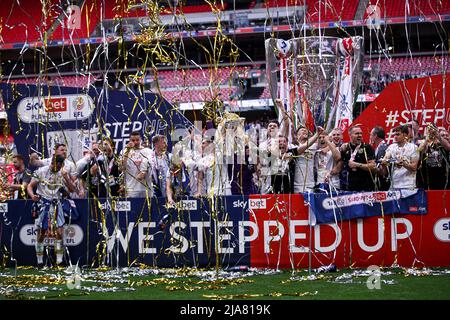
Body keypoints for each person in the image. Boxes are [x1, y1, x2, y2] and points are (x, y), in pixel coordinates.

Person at [27, 154, 76, 267]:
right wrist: (32, 195)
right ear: (53, 162)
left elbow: (72, 189)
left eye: (60, 166)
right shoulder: (41, 171)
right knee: (42, 232)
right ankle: (39, 261)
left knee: (59, 232)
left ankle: (59, 261)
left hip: (57, 203)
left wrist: (67, 178)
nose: (57, 168)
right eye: (56, 166)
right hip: (43, 203)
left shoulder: (63, 173)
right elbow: (30, 186)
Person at [381, 125, 419, 190]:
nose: (395, 137)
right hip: (394, 185)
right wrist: (384, 161)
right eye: (394, 135)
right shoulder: (391, 147)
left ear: (404, 135)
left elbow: (414, 167)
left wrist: (403, 163)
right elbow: (386, 158)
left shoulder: (413, 147)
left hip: (408, 185)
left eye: (398, 134)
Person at [341, 125, 377, 191]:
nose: (360, 135)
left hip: (365, 188)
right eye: (357, 133)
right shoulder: (345, 148)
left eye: (361, 133)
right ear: (350, 135)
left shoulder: (367, 147)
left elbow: (373, 166)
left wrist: (357, 165)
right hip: (349, 188)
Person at [416, 124, 450, 190]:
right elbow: (418, 151)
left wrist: (438, 136)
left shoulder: (441, 142)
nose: (431, 131)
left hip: (441, 174)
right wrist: (426, 139)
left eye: (433, 129)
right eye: (429, 130)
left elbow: (448, 147)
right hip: (428, 174)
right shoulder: (423, 142)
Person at [120, 131, 151, 198]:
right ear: (129, 140)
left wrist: (145, 172)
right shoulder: (124, 152)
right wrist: (127, 151)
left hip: (146, 188)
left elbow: (153, 168)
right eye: (133, 140)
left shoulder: (148, 151)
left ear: (140, 140)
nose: (136, 142)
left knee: (148, 208)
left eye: (137, 140)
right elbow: (122, 168)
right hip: (131, 189)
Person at [370, 126, 390, 191]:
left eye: (371, 135)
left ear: (375, 136)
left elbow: (381, 169)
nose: (370, 137)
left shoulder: (382, 148)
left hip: (382, 183)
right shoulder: (380, 147)